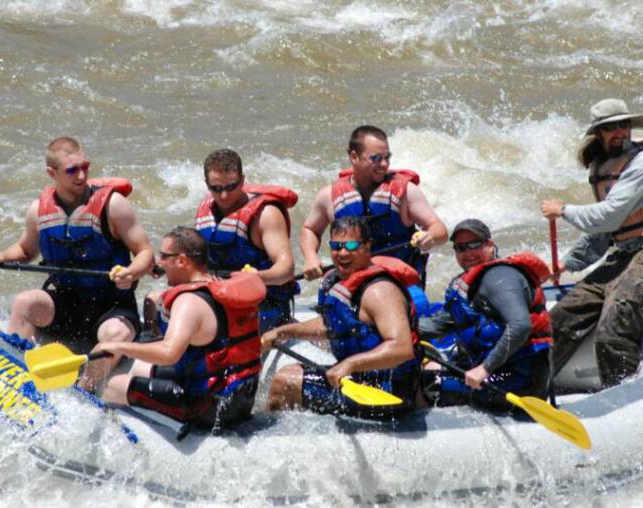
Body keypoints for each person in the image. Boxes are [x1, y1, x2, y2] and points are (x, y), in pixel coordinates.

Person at [0, 137, 154, 390]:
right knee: (24, 302)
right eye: (72, 170)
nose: (82, 176)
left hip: (111, 306)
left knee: (114, 336)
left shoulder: (114, 206)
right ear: (52, 173)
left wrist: (131, 272)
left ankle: (83, 391)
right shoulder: (38, 210)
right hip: (65, 303)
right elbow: (25, 250)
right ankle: (12, 378)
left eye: (85, 167)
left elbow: (146, 252)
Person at [97, 227, 266, 429]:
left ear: (182, 261)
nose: (159, 262)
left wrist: (119, 347)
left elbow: (169, 353)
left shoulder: (188, 301)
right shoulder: (219, 286)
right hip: (240, 398)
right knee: (141, 367)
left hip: (207, 407)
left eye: (164, 256)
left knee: (114, 385)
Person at [261, 216, 420, 420]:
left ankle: (273, 440)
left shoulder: (380, 292)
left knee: (284, 382)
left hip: (387, 393)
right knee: (291, 370)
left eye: (352, 245)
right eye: (337, 246)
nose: (343, 253)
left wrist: (350, 365)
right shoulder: (337, 282)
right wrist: (281, 332)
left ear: (367, 247)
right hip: (357, 379)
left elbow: (402, 348)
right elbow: (331, 325)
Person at [541, 98, 643, 388]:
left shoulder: (640, 162)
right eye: (611, 127)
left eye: (624, 125)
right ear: (598, 133)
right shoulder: (602, 166)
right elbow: (608, 233)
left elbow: (608, 217)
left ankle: (622, 399)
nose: (620, 132)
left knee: (614, 327)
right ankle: (536, 389)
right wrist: (568, 263)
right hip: (621, 256)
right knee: (559, 319)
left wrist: (563, 210)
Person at [419, 219, 552, 410]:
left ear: (490, 245)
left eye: (474, 244)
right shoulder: (468, 285)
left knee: (428, 382)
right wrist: (395, 329)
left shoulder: (499, 277)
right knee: (427, 368)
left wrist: (484, 369)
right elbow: (437, 325)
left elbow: (521, 326)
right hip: (495, 370)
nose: (468, 253)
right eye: (461, 248)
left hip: (520, 379)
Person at [299, 125, 447, 286]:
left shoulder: (407, 193)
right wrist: (310, 257)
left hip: (400, 283)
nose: (384, 164)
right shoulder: (328, 196)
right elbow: (310, 229)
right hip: (349, 284)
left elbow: (439, 228)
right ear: (354, 156)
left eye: (387, 157)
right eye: (376, 158)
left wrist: (430, 236)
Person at [194, 148, 298, 332]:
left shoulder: (265, 215)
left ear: (242, 180)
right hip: (219, 299)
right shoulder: (205, 210)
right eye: (216, 189)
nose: (224, 195)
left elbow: (286, 269)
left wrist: (256, 277)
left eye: (230, 187)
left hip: (264, 304)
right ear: (206, 184)